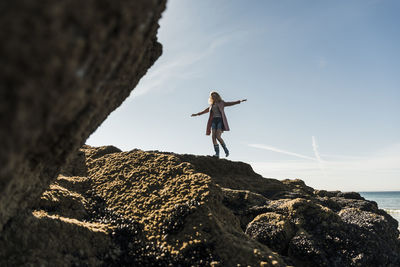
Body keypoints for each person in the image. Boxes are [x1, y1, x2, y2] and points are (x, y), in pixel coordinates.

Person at [191, 91, 247, 158]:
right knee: (213, 137)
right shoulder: (211, 105)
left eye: (215, 96)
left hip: (220, 120)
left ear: (217, 96)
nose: (214, 97)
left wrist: (239, 101)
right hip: (213, 121)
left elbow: (230, 103)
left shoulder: (222, 103)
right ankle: (217, 154)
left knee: (218, 136)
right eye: (212, 96)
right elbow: (205, 111)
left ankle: (226, 150)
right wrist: (197, 114)